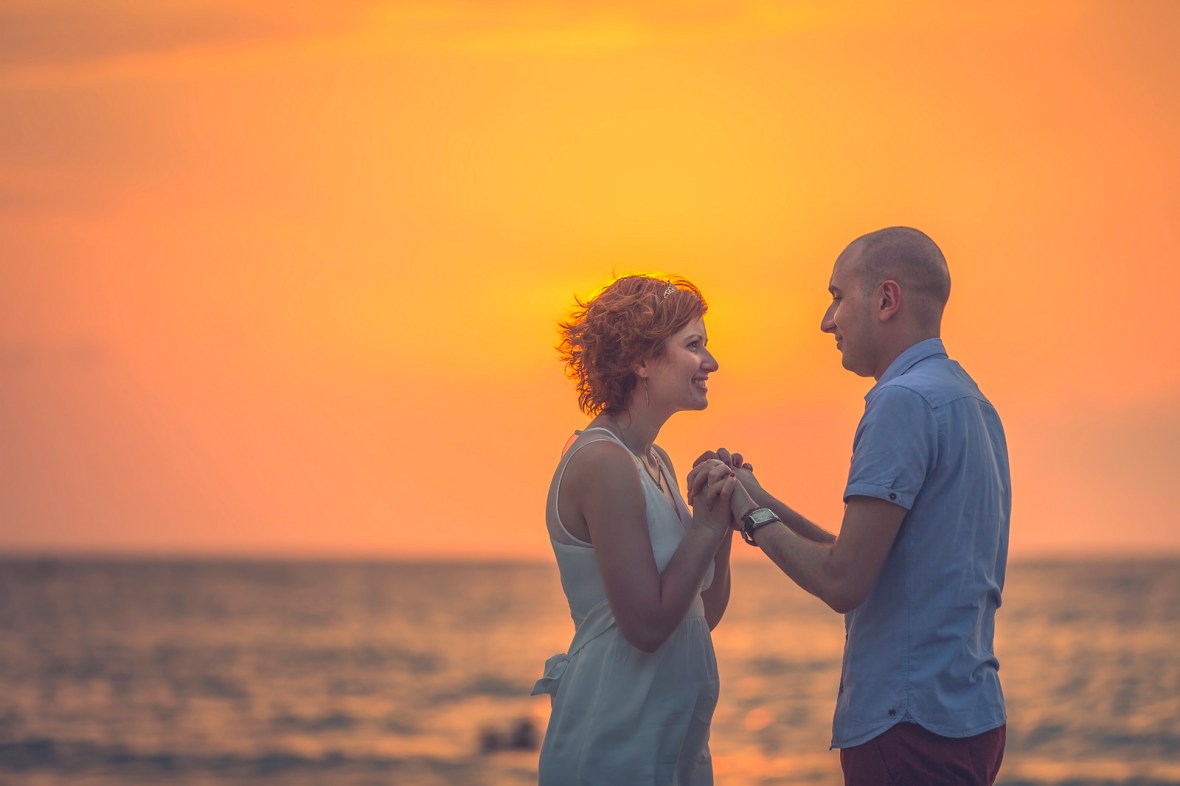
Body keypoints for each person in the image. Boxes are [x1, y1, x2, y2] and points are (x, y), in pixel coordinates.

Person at [690, 227, 1011, 785]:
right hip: (972, 714)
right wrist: (763, 499)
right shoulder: (972, 402)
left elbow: (843, 582)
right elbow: (869, 557)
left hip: (908, 727)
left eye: (837, 296)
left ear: (887, 300)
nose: (826, 320)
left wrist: (743, 511)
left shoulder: (900, 402)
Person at [532, 274, 738, 786]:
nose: (710, 363)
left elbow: (698, 616)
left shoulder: (656, 462)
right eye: (694, 346)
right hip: (616, 737)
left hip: (672, 741)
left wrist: (722, 523)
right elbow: (646, 628)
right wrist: (705, 527)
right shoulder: (604, 461)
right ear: (641, 361)